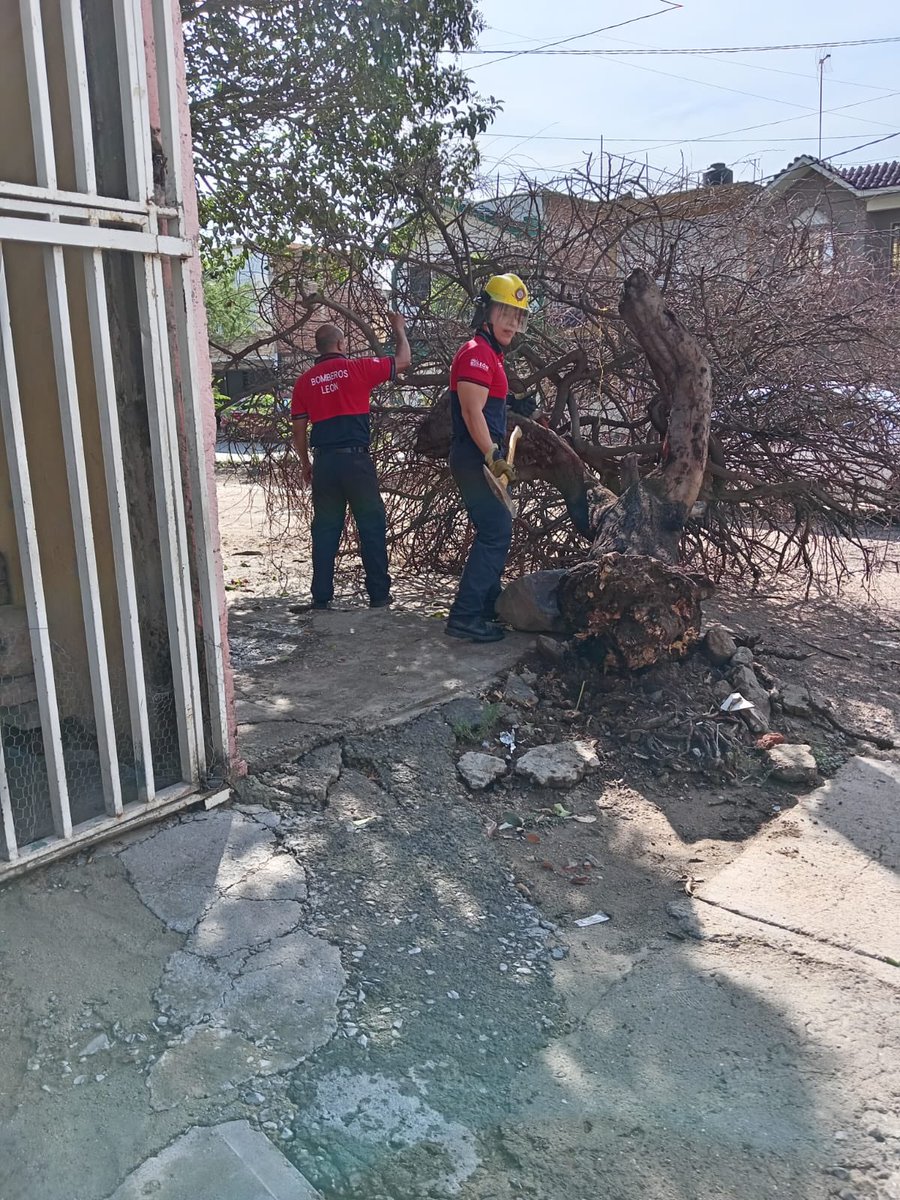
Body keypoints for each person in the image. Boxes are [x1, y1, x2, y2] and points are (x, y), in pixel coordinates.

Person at [291, 313, 410, 609]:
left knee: (325, 530)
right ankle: (379, 596)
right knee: (371, 525)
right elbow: (403, 360)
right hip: (357, 463)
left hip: (326, 465)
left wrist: (306, 462)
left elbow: (298, 430)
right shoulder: (358, 368)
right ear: (341, 344)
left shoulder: (304, 383)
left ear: (318, 348)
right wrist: (399, 330)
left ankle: (321, 597)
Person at [445, 274, 530, 643]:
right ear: (486, 313)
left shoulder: (488, 355)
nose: (513, 322)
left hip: (479, 456)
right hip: (474, 456)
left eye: (518, 315)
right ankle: (465, 615)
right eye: (505, 312)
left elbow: (486, 404)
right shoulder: (477, 353)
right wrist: (492, 454)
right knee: (496, 532)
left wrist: (514, 406)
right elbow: (471, 412)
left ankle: (484, 605)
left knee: (494, 530)